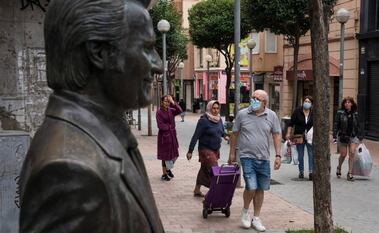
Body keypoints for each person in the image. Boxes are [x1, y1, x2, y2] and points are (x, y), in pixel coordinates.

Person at [18, 0, 165, 232]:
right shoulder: (72, 171)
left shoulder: (105, 138)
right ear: (99, 52)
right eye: (146, 48)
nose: (159, 65)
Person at [228, 90, 282, 232]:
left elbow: (276, 134)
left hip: (263, 157)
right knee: (251, 186)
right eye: (253, 98)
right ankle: (245, 211)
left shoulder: (271, 115)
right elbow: (235, 134)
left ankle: (256, 218)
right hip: (247, 157)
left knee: (260, 188)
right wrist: (232, 154)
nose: (254, 100)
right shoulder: (242, 114)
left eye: (257, 99)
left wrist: (278, 155)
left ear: (265, 102)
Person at [186, 100, 227, 197]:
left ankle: (197, 189)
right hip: (205, 150)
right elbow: (196, 136)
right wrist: (190, 151)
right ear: (209, 108)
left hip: (215, 150)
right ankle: (214, 192)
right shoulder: (203, 120)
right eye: (214, 108)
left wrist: (225, 136)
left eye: (217, 108)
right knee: (215, 170)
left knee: (204, 169)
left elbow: (221, 131)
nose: (216, 110)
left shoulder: (219, 119)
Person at [333, 96, 363, 181]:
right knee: (343, 154)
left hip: (353, 136)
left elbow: (358, 125)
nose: (347, 104)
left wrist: (360, 136)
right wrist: (335, 136)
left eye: (349, 102)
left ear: (352, 104)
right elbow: (336, 124)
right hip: (343, 136)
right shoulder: (340, 112)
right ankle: (339, 167)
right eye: (345, 102)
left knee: (352, 153)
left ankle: (350, 173)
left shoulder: (355, 113)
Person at [286, 96, 314, 180]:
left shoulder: (313, 112)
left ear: (311, 104)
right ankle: (301, 171)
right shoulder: (297, 111)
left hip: (310, 136)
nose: (307, 103)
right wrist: (288, 133)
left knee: (311, 154)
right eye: (305, 101)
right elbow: (291, 123)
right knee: (300, 155)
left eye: (309, 102)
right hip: (299, 136)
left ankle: (311, 172)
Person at [156, 94, 183, 181]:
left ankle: (168, 169)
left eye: (168, 102)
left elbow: (180, 111)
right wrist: (169, 127)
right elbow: (160, 125)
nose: (167, 103)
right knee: (165, 156)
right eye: (165, 101)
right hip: (164, 136)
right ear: (162, 102)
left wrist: (173, 102)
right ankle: (164, 173)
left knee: (175, 154)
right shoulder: (159, 112)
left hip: (172, 135)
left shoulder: (171, 110)